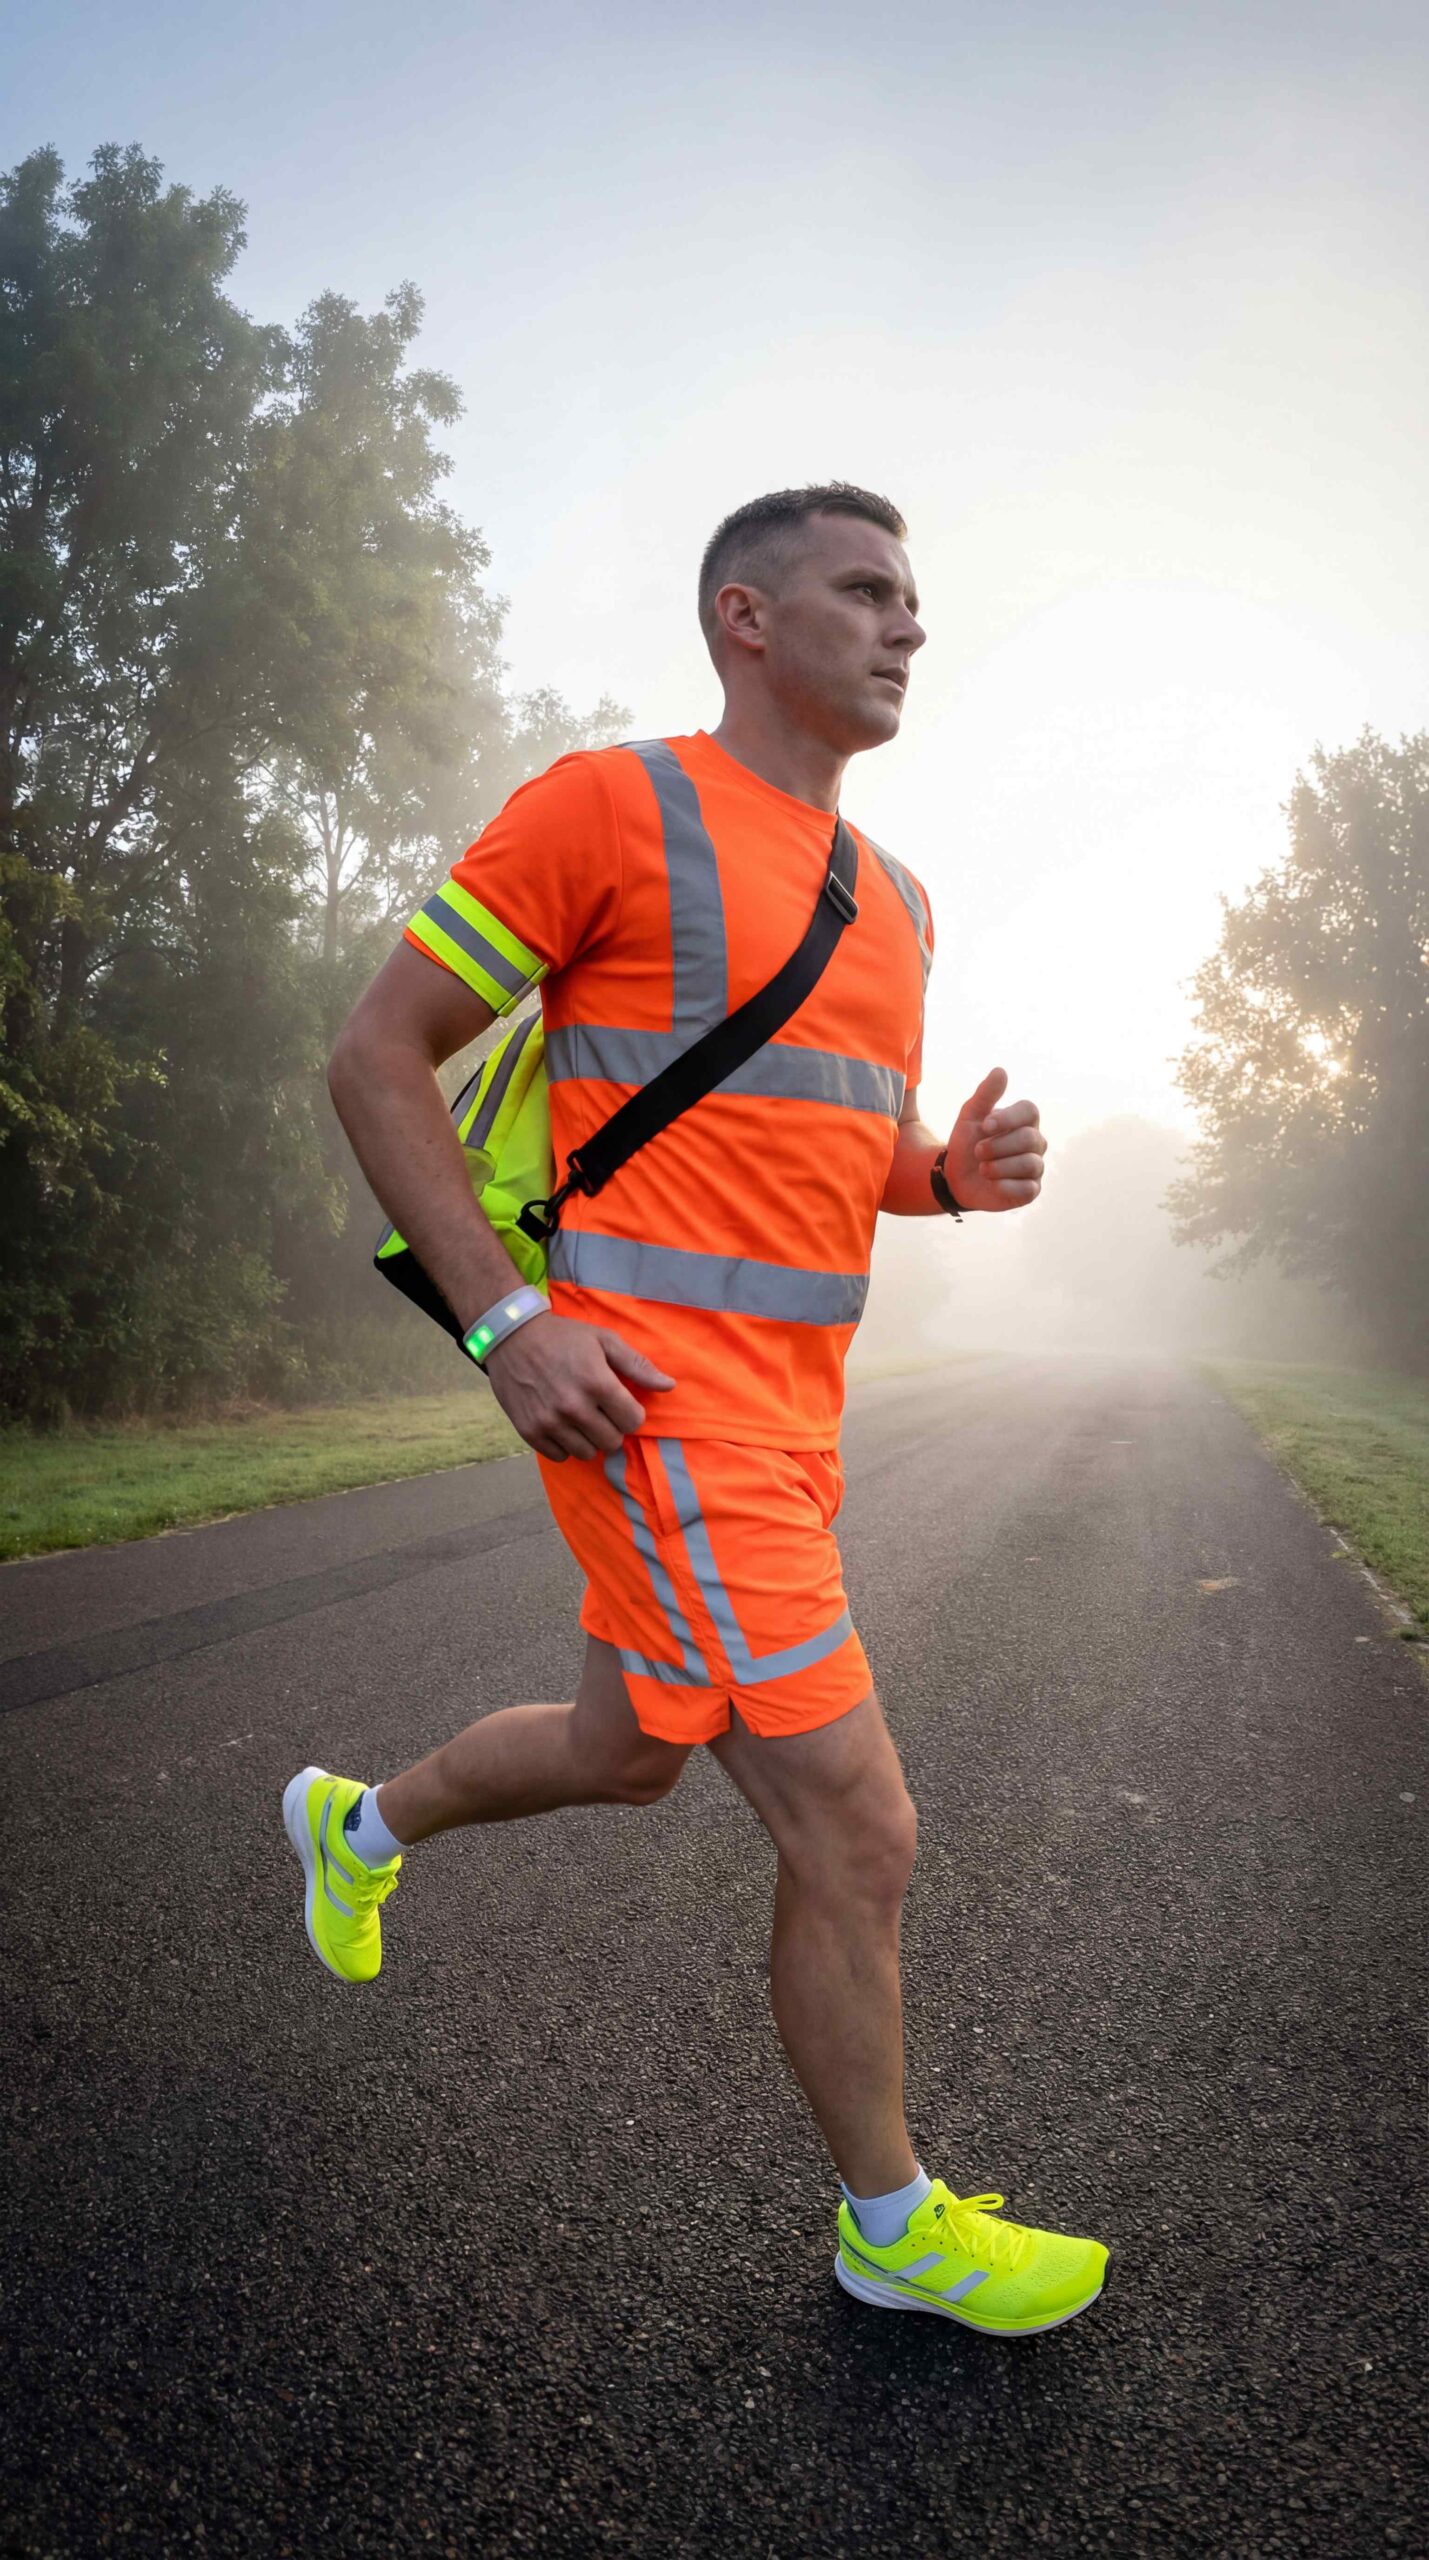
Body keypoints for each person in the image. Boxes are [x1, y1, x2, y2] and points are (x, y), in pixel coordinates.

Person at [283, 484, 1108, 2336]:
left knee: (627, 1748)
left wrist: (947, 1175)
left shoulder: (894, 896)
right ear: (746, 618)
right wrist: (507, 1325)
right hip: (651, 1415)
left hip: (797, 1429)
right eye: (865, 590)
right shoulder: (613, 807)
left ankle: (354, 1827)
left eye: (915, 599)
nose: (906, 626)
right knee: (856, 1824)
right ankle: (890, 2228)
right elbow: (373, 1054)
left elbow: (811, 1146)